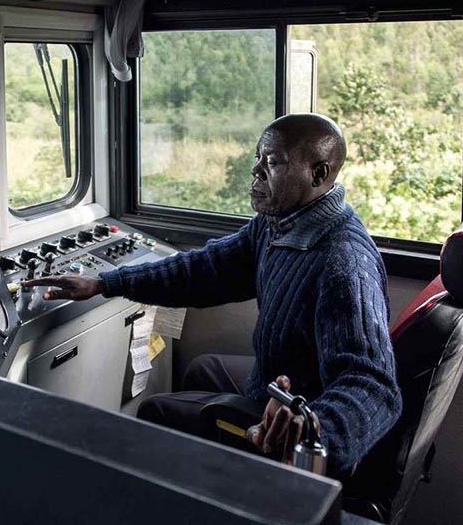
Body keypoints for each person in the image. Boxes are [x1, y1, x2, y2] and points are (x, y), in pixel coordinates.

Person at [23, 113, 402, 478]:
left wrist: (315, 431)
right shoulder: (278, 225)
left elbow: (373, 385)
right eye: (258, 158)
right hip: (273, 381)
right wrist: (106, 283)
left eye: (272, 163)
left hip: (291, 421)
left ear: (318, 174)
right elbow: (204, 271)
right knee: (200, 368)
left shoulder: (343, 264)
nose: (255, 171)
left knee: (155, 411)